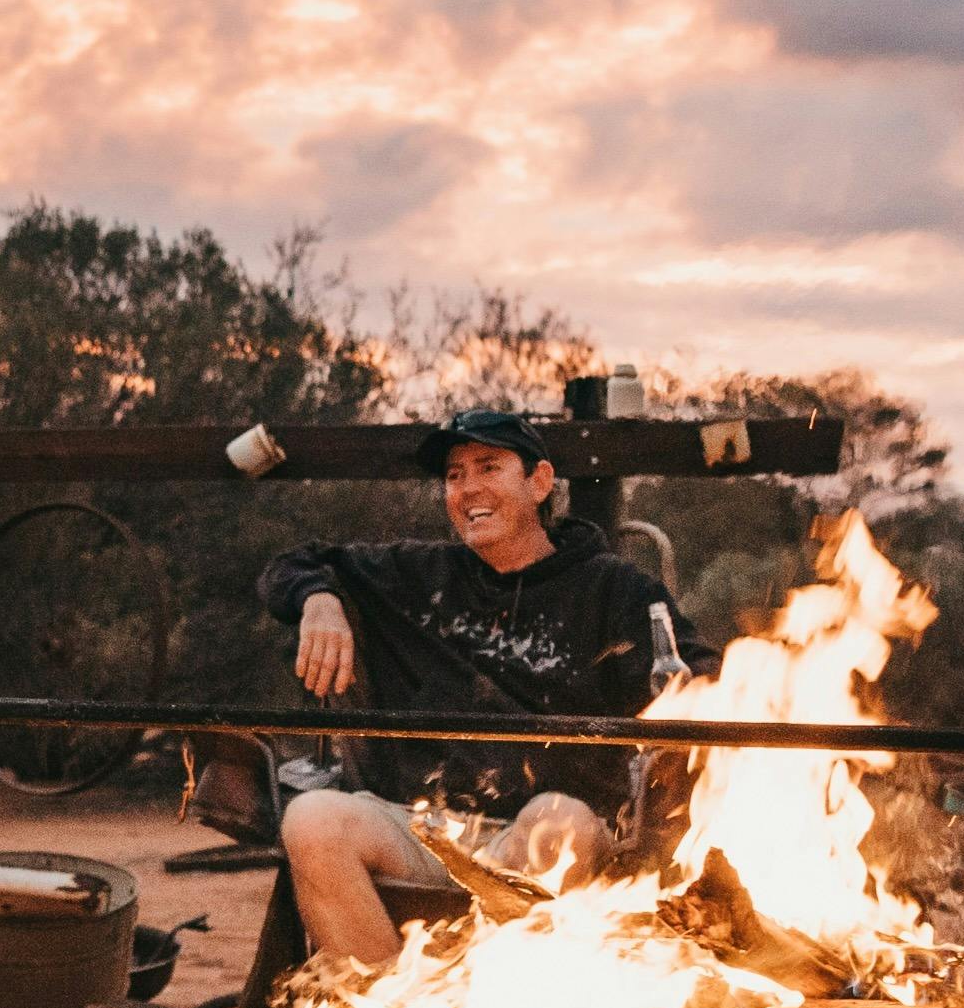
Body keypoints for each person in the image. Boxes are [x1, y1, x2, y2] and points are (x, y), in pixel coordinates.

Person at [255, 405, 715, 975]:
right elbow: (291, 563)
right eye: (454, 475)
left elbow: (698, 678)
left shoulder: (613, 587)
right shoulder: (416, 576)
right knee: (313, 819)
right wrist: (318, 600)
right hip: (420, 826)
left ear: (539, 481)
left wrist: (687, 705)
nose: (468, 488)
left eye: (488, 467)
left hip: (540, 834)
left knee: (561, 820)